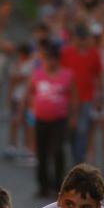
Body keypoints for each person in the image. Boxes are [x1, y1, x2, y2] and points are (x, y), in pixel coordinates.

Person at [28, 40, 77, 197]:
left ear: (57, 60)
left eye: (51, 59)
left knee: (57, 151)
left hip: (59, 119)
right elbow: (30, 92)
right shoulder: (38, 74)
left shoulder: (67, 75)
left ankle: (58, 184)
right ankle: (43, 186)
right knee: (41, 152)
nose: (48, 63)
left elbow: (74, 97)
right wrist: (29, 110)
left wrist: (73, 117)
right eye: (45, 59)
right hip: (41, 118)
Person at [60, 24, 103, 165]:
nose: (82, 42)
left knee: (82, 129)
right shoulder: (66, 52)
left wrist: (99, 95)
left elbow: (98, 75)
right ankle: (72, 156)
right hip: (68, 98)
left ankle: (78, 160)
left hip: (86, 98)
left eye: (84, 39)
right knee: (69, 129)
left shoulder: (94, 54)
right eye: (79, 39)